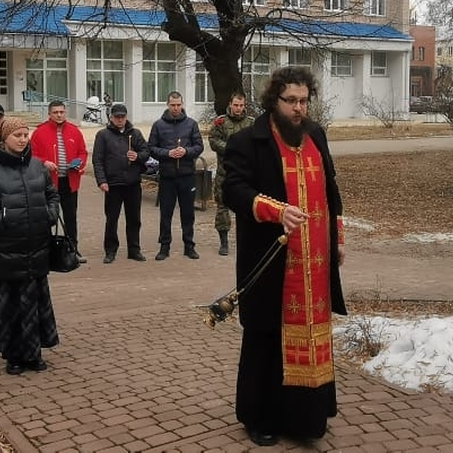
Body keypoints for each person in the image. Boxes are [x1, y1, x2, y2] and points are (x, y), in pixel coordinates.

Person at [222, 66, 347, 446]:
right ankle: (259, 417)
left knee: (312, 335)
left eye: (304, 101)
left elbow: (332, 190)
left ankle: (307, 418)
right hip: (271, 260)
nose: (298, 109)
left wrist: (337, 239)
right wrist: (275, 210)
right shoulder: (249, 141)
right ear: (273, 100)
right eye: (290, 100)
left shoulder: (316, 135)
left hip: (316, 262)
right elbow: (232, 190)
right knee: (265, 341)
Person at [0, 117, 61, 375]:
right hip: (3, 249)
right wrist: (2, 218)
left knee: (33, 303)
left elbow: (52, 194)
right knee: (10, 306)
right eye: (17, 134)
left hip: (35, 247)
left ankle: (33, 352)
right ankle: (14, 355)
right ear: (4, 138)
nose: (22, 139)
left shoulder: (37, 166)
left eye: (25, 134)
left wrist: (49, 215)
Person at [30, 100, 89, 263]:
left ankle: (73, 250)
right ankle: (46, 252)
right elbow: (32, 155)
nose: (59, 115)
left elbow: (82, 152)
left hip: (69, 181)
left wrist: (79, 163)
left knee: (71, 217)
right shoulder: (39, 132)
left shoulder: (74, 131)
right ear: (49, 114)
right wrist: (44, 162)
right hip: (48, 183)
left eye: (61, 112)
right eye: (55, 112)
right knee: (48, 218)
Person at [148, 91, 204, 260]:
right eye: (173, 105)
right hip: (167, 176)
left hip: (187, 175)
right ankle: (164, 246)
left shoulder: (191, 124)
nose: (176, 108)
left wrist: (186, 151)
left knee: (188, 213)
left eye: (178, 105)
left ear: (182, 104)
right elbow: (151, 148)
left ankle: (189, 245)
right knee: (166, 213)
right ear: (167, 104)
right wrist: (167, 153)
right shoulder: (158, 125)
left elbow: (199, 146)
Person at [91, 104, 150, 264]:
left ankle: (134, 249)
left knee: (134, 219)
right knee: (112, 219)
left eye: (122, 117)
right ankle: (110, 250)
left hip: (132, 183)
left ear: (126, 117)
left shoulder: (135, 133)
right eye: (117, 117)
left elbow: (146, 152)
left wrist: (137, 156)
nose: (120, 120)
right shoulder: (103, 135)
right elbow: (97, 160)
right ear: (111, 118)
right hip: (113, 184)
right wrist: (102, 180)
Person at [208, 92, 255, 256]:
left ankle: (246, 240)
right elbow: (213, 140)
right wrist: (229, 148)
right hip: (225, 172)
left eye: (241, 105)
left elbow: (257, 143)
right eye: (236, 105)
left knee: (247, 207)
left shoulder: (251, 123)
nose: (238, 108)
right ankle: (224, 242)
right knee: (222, 206)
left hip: (245, 173)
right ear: (230, 104)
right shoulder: (221, 122)